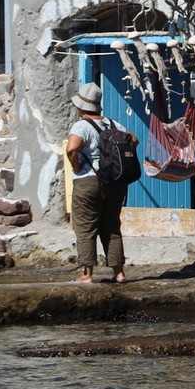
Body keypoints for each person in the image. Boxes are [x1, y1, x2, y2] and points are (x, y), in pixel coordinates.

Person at [65, 80, 136, 284]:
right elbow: (134, 140)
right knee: (112, 226)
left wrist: (77, 166)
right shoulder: (114, 124)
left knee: (85, 227)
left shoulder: (81, 126)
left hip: (88, 182)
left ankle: (87, 274)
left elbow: (72, 149)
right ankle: (119, 273)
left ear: (81, 107)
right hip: (114, 183)